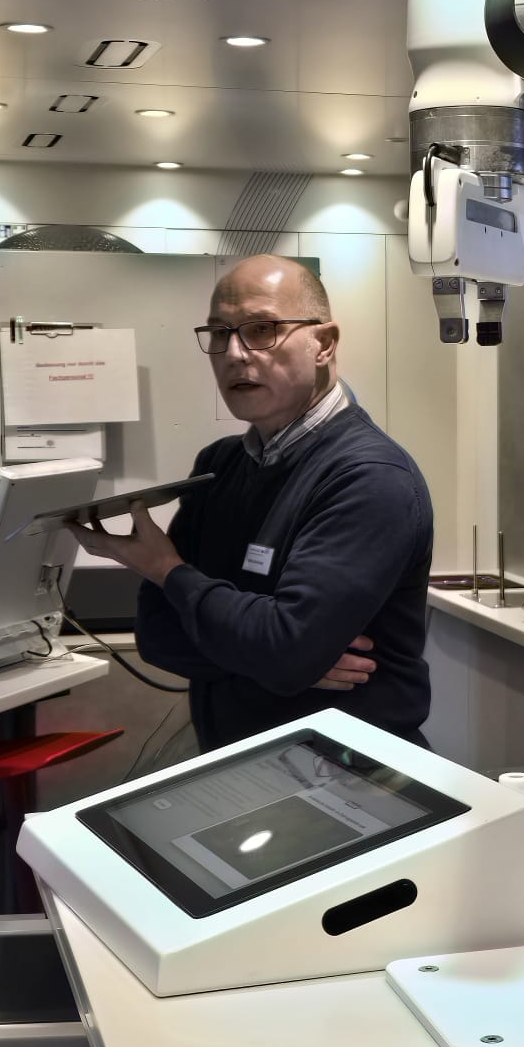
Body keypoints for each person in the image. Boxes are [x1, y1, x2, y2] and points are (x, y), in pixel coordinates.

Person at [73, 254, 431, 750]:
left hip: (344, 769)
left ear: (324, 344)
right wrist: (272, 657)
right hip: (235, 762)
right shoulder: (220, 465)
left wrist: (168, 571)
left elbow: (283, 650)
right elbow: (158, 638)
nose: (236, 354)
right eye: (220, 333)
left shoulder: (369, 478)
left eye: (262, 329)